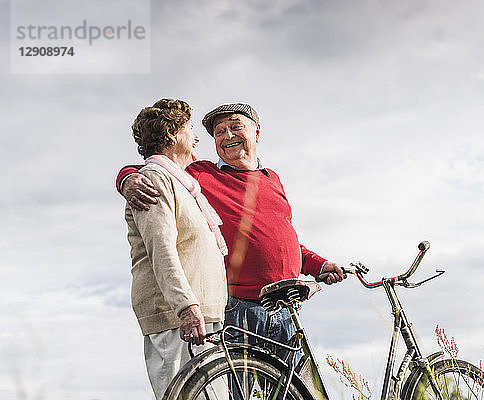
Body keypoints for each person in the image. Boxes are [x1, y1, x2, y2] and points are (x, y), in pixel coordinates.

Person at [117, 103, 346, 354]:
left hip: (285, 309)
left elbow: (283, 240)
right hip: (237, 309)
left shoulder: (273, 179)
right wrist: (126, 177)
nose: (227, 136)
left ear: (256, 132)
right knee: (239, 391)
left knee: (293, 390)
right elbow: (157, 168)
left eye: (235, 127)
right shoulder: (201, 174)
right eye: (219, 132)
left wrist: (319, 265)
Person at [124, 99, 227, 399]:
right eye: (190, 129)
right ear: (171, 134)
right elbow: (162, 249)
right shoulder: (154, 180)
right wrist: (186, 306)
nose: (197, 138)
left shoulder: (185, 184)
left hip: (200, 316)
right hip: (176, 319)